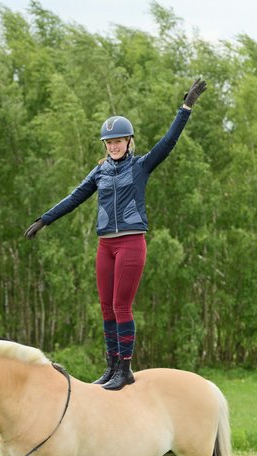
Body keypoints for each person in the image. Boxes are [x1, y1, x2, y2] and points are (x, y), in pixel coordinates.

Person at [25, 78, 207, 390]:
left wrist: (185, 107)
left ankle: (125, 369)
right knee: (106, 307)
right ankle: (110, 367)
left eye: (119, 141)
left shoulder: (141, 166)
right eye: (109, 143)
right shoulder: (100, 172)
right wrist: (46, 219)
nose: (114, 146)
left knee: (122, 306)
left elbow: (169, 141)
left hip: (131, 243)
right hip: (105, 245)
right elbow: (74, 197)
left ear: (129, 141)